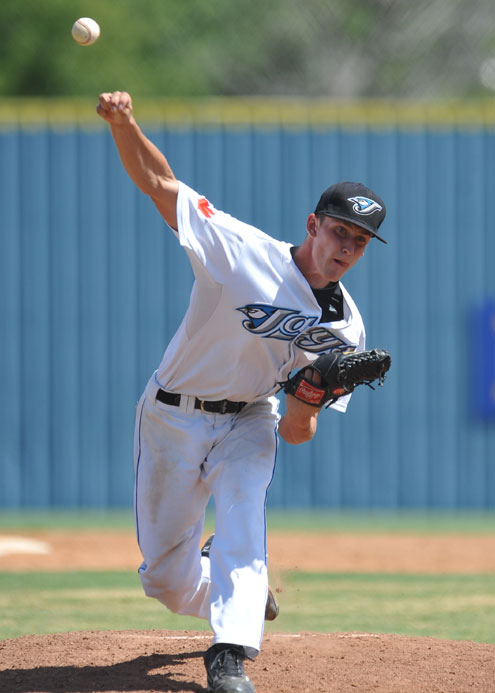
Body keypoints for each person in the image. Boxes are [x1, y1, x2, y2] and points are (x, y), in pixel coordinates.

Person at [97, 90, 387, 693]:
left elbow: (296, 433)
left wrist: (308, 396)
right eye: (339, 232)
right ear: (313, 225)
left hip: (251, 420)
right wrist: (125, 123)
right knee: (166, 583)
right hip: (171, 415)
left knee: (243, 508)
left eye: (359, 242)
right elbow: (159, 183)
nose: (346, 248)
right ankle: (239, 591)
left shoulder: (345, 329)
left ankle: (230, 653)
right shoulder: (239, 251)